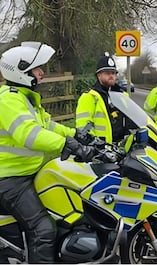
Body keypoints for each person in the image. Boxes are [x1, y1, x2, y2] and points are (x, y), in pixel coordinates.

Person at [0, 41, 95, 263]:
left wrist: (77, 134)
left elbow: (48, 126)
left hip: (28, 173)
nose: (42, 73)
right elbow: (29, 133)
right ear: (20, 70)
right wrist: (65, 145)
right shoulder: (8, 99)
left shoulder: (25, 99)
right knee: (43, 229)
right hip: (11, 179)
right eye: (37, 68)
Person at [76, 54, 129, 144]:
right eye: (107, 73)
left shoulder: (123, 95)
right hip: (101, 149)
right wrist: (94, 144)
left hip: (122, 146)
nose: (111, 76)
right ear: (99, 75)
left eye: (113, 73)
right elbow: (83, 127)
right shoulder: (89, 97)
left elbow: (130, 120)